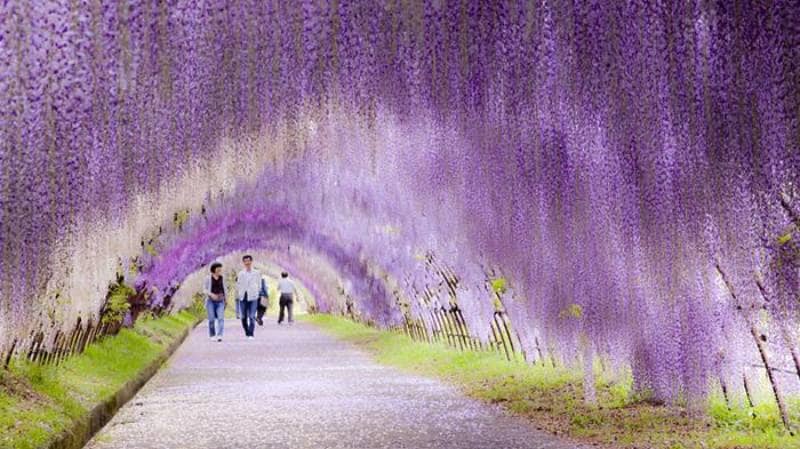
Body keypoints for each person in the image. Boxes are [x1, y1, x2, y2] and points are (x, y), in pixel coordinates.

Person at [236, 255, 267, 339]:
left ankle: (251, 333)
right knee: (243, 317)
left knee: (252, 316)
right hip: (243, 296)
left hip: (253, 297)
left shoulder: (257, 272)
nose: (247, 262)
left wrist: (257, 291)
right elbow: (238, 284)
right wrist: (239, 293)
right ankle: (247, 331)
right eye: (245, 261)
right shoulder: (241, 273)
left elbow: (259, 284)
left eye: (248, 261)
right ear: (243, 262)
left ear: (251, 261)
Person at [203, 262, 226, 342]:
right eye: (218, 268)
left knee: (221, 318)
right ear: (214, 269)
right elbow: (204, 289)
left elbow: (225, 289)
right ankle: (212, 334)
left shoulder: (222, 278)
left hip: (220, 301)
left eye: (220, 268)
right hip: (211, 301)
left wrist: (225, 299)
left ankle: (220, 335)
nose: (220, 269)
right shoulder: (208, 278)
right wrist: (211, 294)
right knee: (211, 319)